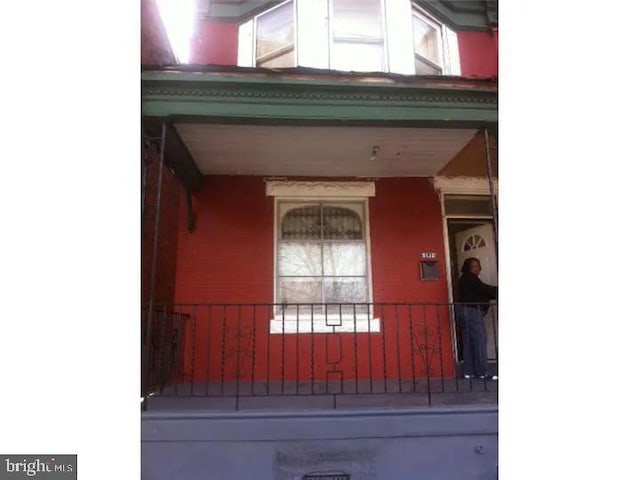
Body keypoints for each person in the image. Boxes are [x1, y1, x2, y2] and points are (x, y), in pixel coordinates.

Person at [457, 257, 498, 381]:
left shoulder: (464, 279)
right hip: (472, 312)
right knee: (480, 340)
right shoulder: (470, 278)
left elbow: (482, 291)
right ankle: (482, 373)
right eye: (474, 266)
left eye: (478, 265)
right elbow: (484, 289)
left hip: (464, 312)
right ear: (468, 268)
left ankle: (469, 372)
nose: (478, 268)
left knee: (469, 342)